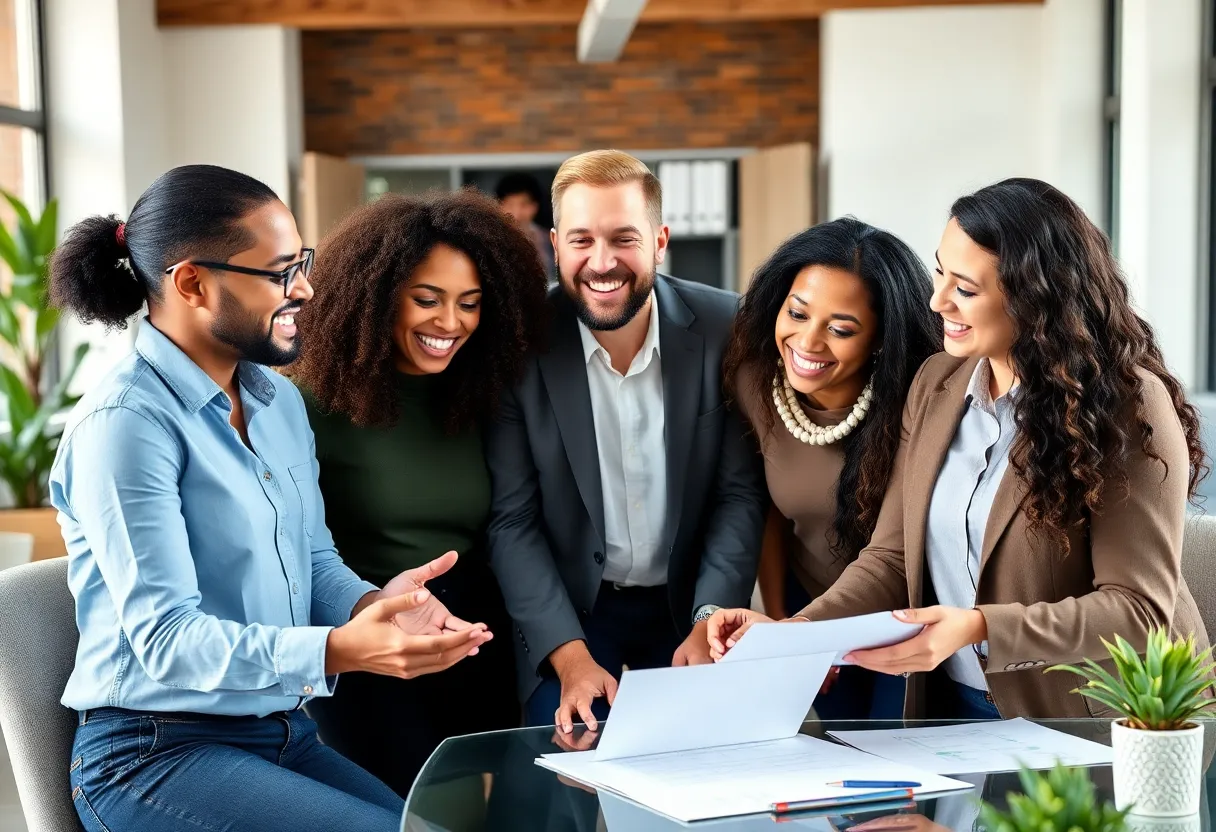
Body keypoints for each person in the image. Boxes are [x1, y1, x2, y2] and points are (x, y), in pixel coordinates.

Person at [48, 165, 493, 832]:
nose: (307, 289)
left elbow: (314, 559)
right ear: (192, 282)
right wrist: (340, 649)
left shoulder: (277, 401)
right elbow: (166, 642)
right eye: (281, 271)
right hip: (152, 756)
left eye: (302, 262)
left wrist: (377, 605)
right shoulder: (125, 425)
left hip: (280, 731)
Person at [709, 178, 1211, 720]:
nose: (936, 300)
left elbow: (1140, 611)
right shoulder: (939, 382)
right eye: (939, 272)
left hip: (1097, 716)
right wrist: (792, 634)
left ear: (1035, 297)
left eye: (965, 289)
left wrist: (978, 626)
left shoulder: (1126, 404)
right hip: (956, 707)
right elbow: (891, 556)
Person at [485, 149, 768, 734]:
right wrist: (568, 655)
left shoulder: (725, 327)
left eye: (624, 238)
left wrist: (710, 616)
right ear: (556, 243)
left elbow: (737, 494)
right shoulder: (517, 344)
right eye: (582, 240)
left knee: (706, 778)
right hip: (573, 615)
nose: (602, 262)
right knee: (569, 788)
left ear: (660, 241)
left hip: (691, 604)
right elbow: (513, 520)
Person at [290, 189, 548, 795]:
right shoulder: (304, 406)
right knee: (409, 809)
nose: (450, 323)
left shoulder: (480, 399)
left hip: (474, 633)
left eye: (470, 303)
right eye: (426, 299)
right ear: (376, 298)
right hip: (371, 638)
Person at [722, 217, 941, 720]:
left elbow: (895, 555)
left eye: (841, 329)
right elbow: (768, 513)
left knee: (895, 768)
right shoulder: (755, 383)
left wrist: (809, 629)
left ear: (882, 339)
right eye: (797, 313)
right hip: (808, 608)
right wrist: (785, 623)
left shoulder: (918, 400)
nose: (808, 342)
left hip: (906, 624)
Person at [496, 172, 555, 282]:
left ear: (535, 206)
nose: (516, 213)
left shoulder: (550, 239)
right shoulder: (490, 241)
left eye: (524, 205)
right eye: (510, 204)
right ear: (498, 206)